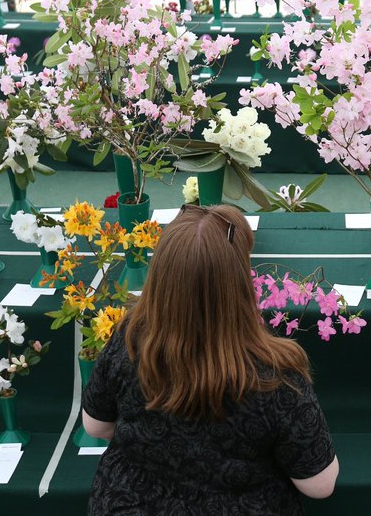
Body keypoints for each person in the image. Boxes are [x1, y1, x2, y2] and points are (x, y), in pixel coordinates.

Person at [82, 203, 339, 515]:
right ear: (238, 282)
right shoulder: (274, 376)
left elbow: (95, 426)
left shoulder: (130, 339)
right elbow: (319, 485)